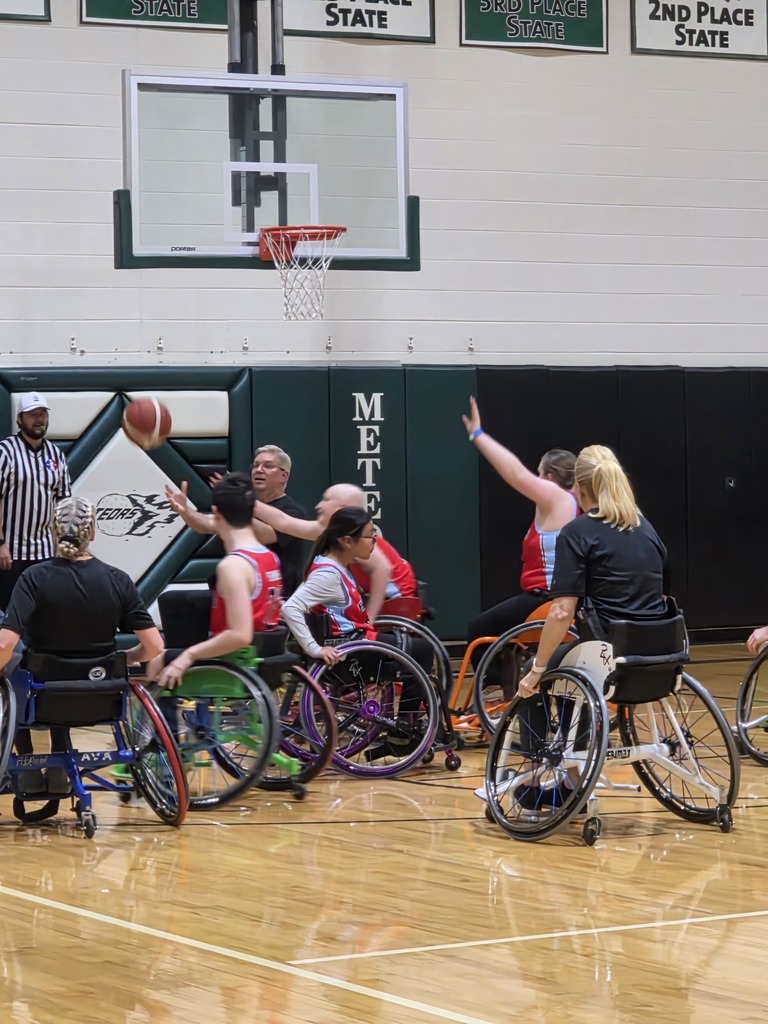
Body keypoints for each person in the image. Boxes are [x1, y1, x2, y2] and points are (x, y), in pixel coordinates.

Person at [0, 496, 163, 795]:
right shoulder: (118, 579)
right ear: (92, 533)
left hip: (44, 697)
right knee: (55, 669)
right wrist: (126, 658)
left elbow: (5, 644)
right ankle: (61, 756)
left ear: (52, 530)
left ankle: (29, 762)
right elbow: (154, 647)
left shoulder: (33, 577)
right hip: (101, 695)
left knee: (16, 665)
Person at [516, 444, 669, 701]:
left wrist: (537, 669)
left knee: (535, 673)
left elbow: (562, 610)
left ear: (580, 486)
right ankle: (574, 737)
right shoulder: (645, 528)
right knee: (573, 666)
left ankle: (550, 742)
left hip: (607, 650)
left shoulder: (577, 532)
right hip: (660, 648)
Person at [462, 396, 578, 676]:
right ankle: (507, 683)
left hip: (548, 599)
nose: (535, 479)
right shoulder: (576, 503)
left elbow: (515, 474)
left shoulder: (557, 497)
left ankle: (490, 688)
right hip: (555, 597)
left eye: (539, 474)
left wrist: (478, 435)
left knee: (478, 628)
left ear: (549, 478)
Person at [148, 472, 283, 690]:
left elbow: (239, 635)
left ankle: (168, 720)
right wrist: (185, 511)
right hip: (266, 651)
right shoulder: (269, 557)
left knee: (157, 662)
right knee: (177, 601)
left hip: (233, 658)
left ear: (216, 512)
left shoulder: (233, 566)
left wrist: (188, 655)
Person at [165, 444, 308, 597]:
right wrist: (185, 511)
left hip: (274, 594)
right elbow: (206, 524)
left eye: (268, 466)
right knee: (172, 599)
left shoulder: (293, 512)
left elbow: (266, 535)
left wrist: (237, 501)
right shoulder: (242, 506)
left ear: (283, 476)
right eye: (256, 465)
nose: (259, 470)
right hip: (241, 586)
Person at [254, 482, 404, 623]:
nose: (318, 506)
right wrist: (246, 500)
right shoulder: (330, 531)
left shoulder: (355, 537)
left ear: (341, 509)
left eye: (326, 500)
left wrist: (369, 616)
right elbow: (282, 521)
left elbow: (382, 568)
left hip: (399, 597)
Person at [0, 391, 72, 611]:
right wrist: (0, 544)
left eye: (42, 414)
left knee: (43, 613)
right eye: (32, 414)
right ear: (19, 419)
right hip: (11, 553)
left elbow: (63, 502)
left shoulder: (56, 455)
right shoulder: (6, 452)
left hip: (45, 552)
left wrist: (63, 543)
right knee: (10, 614)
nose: (39, 419)